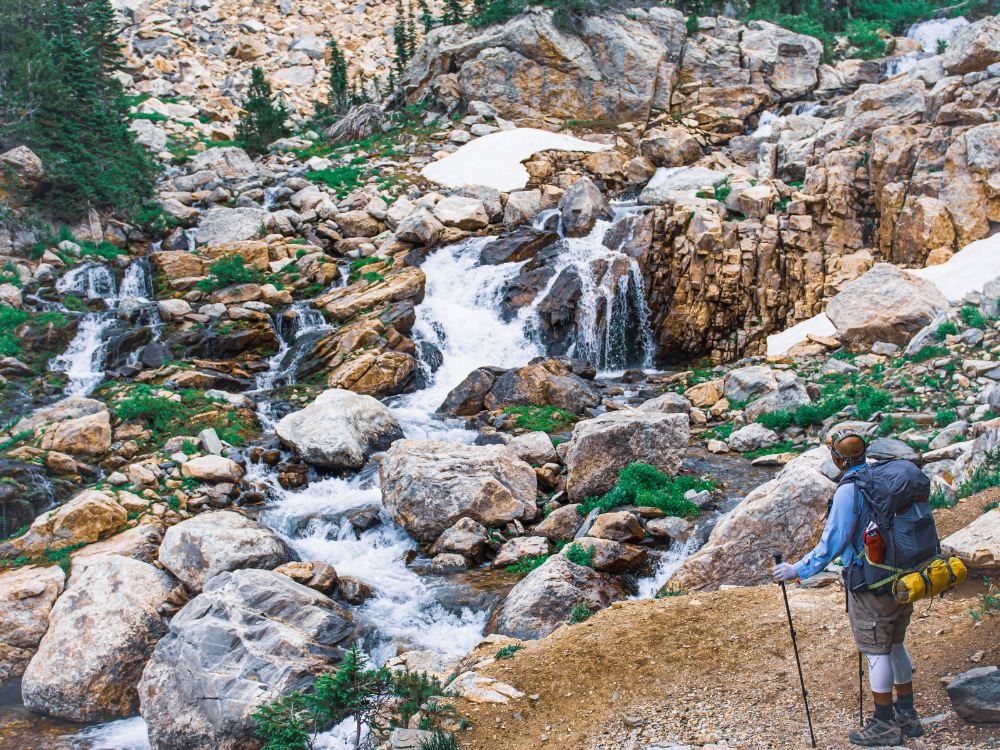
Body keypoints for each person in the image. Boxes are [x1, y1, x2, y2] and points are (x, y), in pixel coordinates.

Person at [771, 428, 922, 747]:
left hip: (872, 581)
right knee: (896, 644)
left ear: (837, 459)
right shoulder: (884, 474)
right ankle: (907, 715)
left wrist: (797, 569)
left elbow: (833, 542)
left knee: (876, 652)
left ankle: (884, 724)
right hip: (906, 577)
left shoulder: (849, 490)